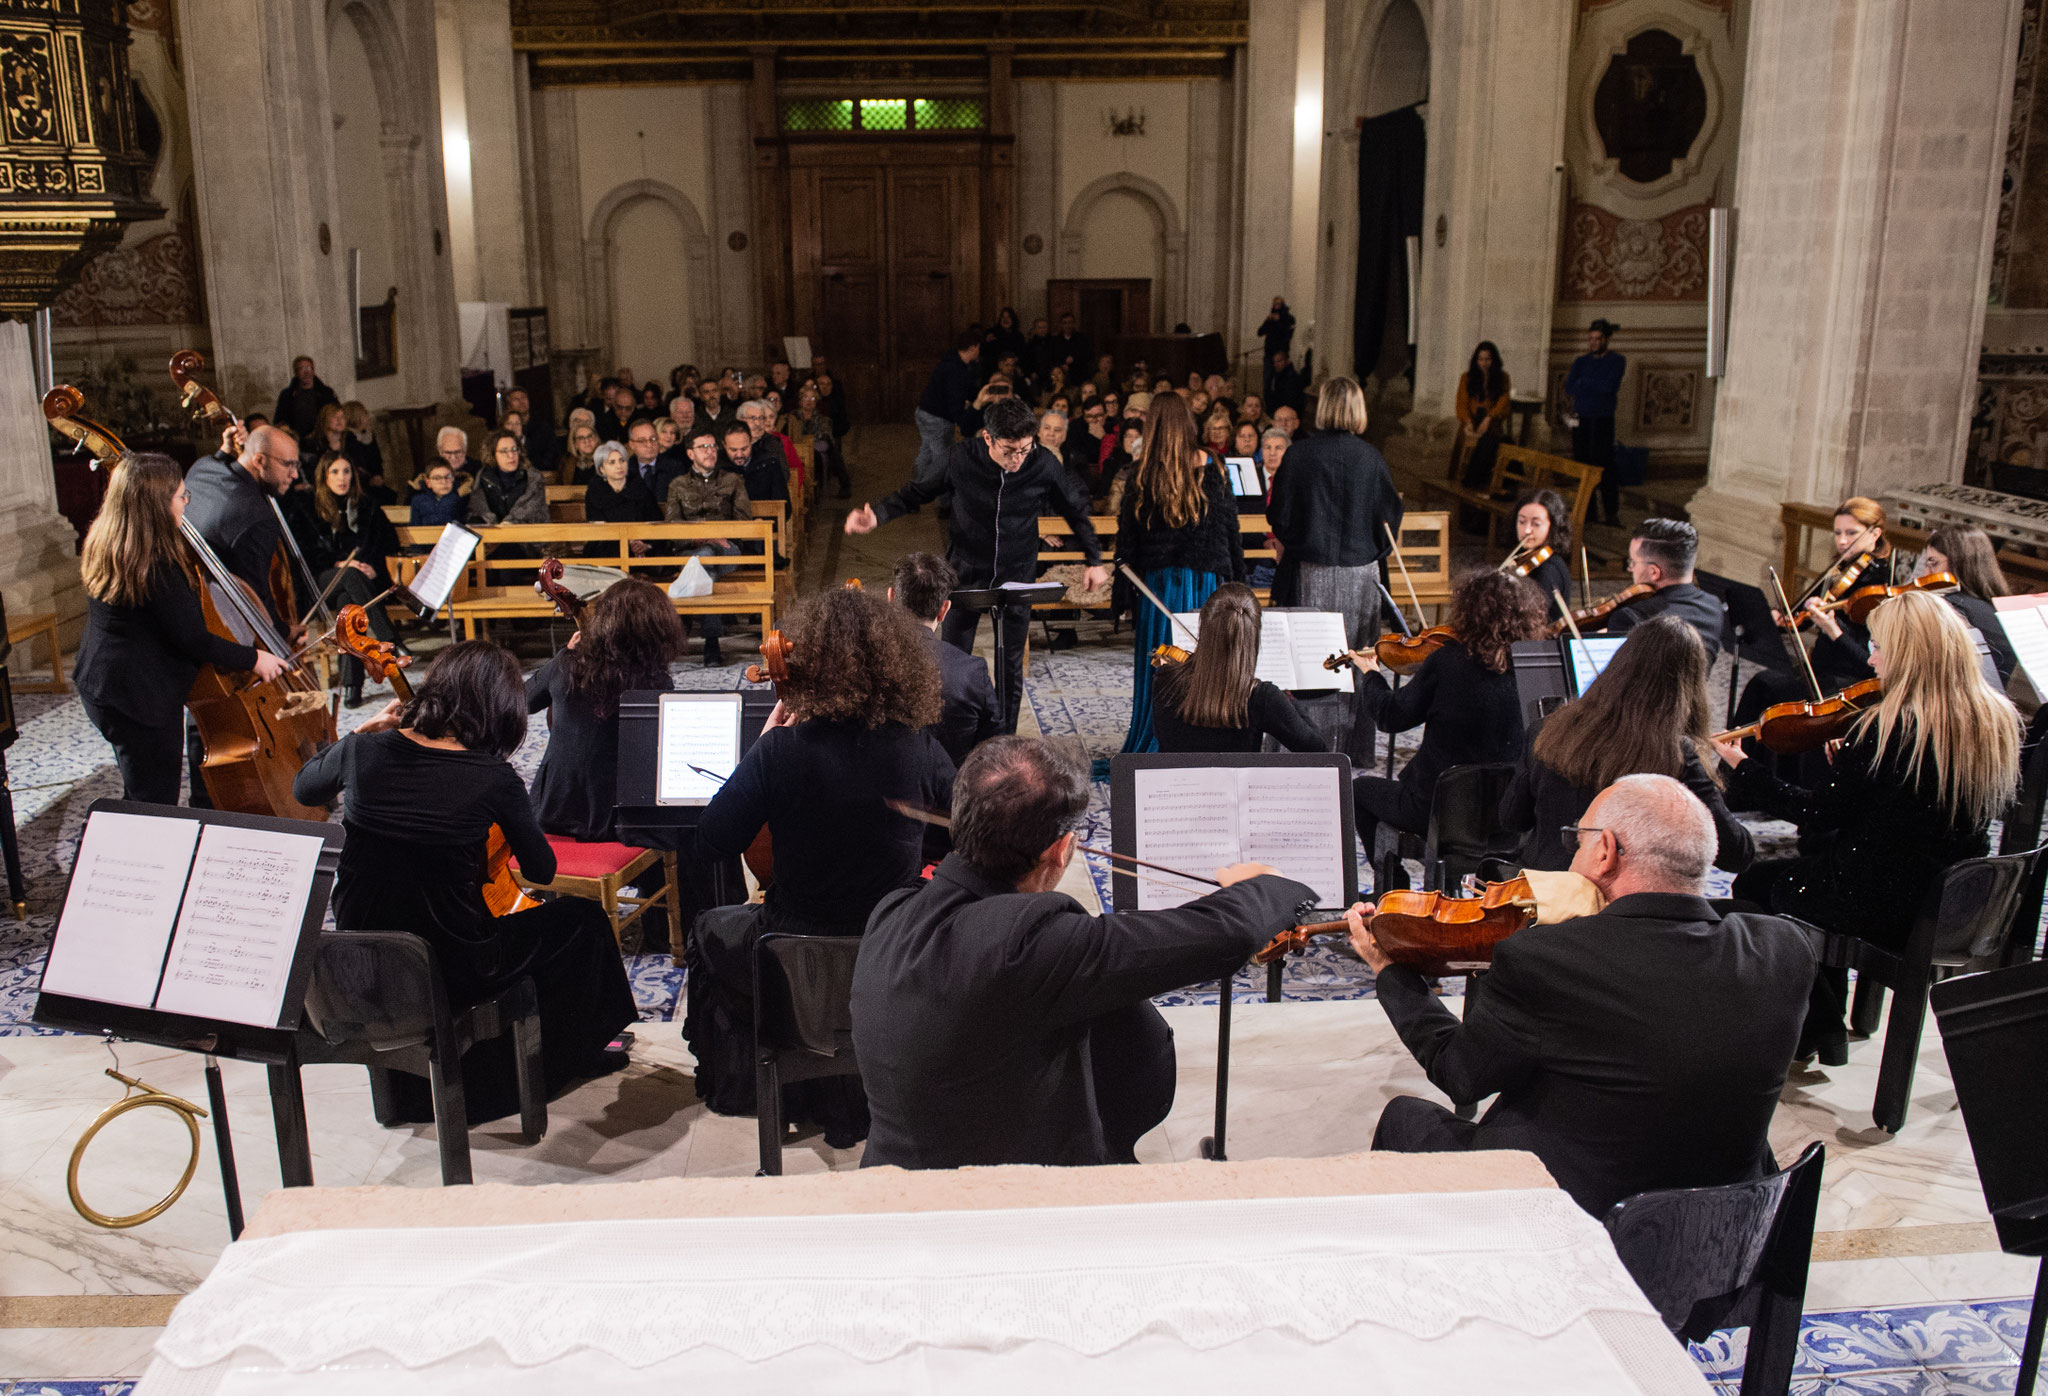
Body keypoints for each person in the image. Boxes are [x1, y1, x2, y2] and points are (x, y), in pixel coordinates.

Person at [1362, 773, 1816, 1217]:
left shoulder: (1545, 959)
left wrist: (1390, 971)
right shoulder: (1785, 949)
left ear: (1605, 851)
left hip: (1578, 1222)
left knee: (1407, 1117)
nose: (1571, 861)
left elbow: (1459, 1074)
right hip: (1723, 1219)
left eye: (1576, 844)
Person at [854, 736, 1317, 1168]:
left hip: (897, 1169)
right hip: (996, 1195)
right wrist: (1269, 884)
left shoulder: (893, 911)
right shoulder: (1027, 944)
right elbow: (1222, 932)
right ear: (1061, 850)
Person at [293, 642, 637, 1124]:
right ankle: (565, 1058)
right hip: (456, 963)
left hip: (362, 954)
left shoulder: (362, 751)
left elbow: (304, 788)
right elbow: (540, 870)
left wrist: (364, 730)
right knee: (581, 921)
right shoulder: (493, 777)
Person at [682, 588, 957, 1138]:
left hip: (791, 954)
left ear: (810, 666)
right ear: (894, 665)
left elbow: (711, 840)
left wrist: (760, 750)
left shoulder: (779, 751)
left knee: (711, 928)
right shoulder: (918, 748)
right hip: (888, 950)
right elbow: (960, 842)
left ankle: (754, 1084)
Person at [1720, 590, 2020, 1064]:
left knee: (1759, 881)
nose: (1872, 658)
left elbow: (1819, 814)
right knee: (1819, 865)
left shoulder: (1889, 726)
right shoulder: (1995, 717)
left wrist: (1746, 772)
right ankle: (1824, 1023)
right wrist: (1864, 774)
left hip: (1879, 898)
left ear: (1907, 655)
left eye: (1879, 646)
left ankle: (1817, 1025)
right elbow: (1922, 805)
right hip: (1950, 899)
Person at [846, 396, 1110, 734]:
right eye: (1009, 450)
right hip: (966, 572)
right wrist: (878, 515)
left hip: (1017, 575)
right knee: (952, 659)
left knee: (1011, 665)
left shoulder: (1042, 464)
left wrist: (1094, 560)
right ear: (988, 437)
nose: (1017, 459)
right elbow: (919, 491)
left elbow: (1076, 512)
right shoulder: (961, 458)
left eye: (1025, 449)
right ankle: (951, 733)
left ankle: (1006, 738)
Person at [74, 453, 289, 803]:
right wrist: (254, 659)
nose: (185, 505)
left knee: (139, 785)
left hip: (103, 683)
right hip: (137, 695)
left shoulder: (110, 539)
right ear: (158, 505)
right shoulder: (156, 563)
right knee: (154, 798)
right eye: (181, 497)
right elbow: (192, 639)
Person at [1501, 617, 1753, 873]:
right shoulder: (1676, 754)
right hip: (1624, 899)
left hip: (1546, 893)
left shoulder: (1545, 729)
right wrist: (1732, 769)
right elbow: (1737, 854)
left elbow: (1512, 819)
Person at [1342, 569, 1544, 877]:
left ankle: (1395, 886)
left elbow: (1391, 715)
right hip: (1510, 815)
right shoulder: (1536, 665)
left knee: (1357, 790)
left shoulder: (1448, 662)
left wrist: (1371, 675)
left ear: (1468, 612)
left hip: (1437, 811)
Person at [1116, 393, 1243, 753]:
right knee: (1207, 664)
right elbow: (1229, 531)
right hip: (1207, 583)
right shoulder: (1214, 465)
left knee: (1164, 668)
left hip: (1160, 586)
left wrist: (1124, 594)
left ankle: (1159, 738)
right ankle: (1205, 737)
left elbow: (1128, 541)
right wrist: (1237, 583)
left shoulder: (1141, 473)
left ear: (1151, 425)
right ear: (1189, 422)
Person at [526, 578, 684, 843]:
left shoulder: (565, 665)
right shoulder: (657, 684)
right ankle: (657, 883)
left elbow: (523, 700)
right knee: (698, 824)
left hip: (552, 810)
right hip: (615, 821)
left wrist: (564, 654)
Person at [1731, 497, 1899, 732]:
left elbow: (1868, 664)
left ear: (1875, 534)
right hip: (1821, 672)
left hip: (1848, 683)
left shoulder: (1882, 586)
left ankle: (1739, 759)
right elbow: (1800, 621)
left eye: (1852, 533)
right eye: (1837, 532)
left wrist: (1833, 630)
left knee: (1766, 689)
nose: (1842, 541)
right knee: (1763, 690)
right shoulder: (1843, 569)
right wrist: (1782, 620)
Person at [1264, 376, 1404, 645]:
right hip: (1360, 570)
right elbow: (1389, 517)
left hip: (1310, 566)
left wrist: (1297, 542)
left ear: (1322, 407)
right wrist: (1370, 549)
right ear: (1359, 409)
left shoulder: (1299, 454)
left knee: (1312, 656)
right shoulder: (1370, 457)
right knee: (1358, 659)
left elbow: (1279, 514)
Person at [1153, 583, 1324, 754]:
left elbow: (1165, 740)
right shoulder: (1262, 697)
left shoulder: (1165, 679)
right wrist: (1289, 700)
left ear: (1202, 626)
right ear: (1254, 637)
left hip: (1178, 780)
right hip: (1237, 781)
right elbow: (1317, 750)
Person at [293, 452, 403, 706]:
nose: (341, 478)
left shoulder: (367, 506)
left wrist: (375, 568)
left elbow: (388, 543)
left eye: (346, 471)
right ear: (324, 476)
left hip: (359, 587)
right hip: (321, 583)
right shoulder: (308, 507)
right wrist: (339, 564)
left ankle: (352, 685)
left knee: (348, 607)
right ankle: (390, 638)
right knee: (349, 575)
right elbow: (303, 554)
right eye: (335, 472)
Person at [183, 422, 301, 632]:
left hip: (184, 603)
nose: (294, 475)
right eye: (288, 464)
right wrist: (284, 632)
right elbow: (255, 598)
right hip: (220, 625)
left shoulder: (202, 467)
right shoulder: (258, 518)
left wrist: (224, 451)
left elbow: (217, 466)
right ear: (259, 460)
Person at [890, 551, 1003, 767]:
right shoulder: (972, 672)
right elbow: (994, 746)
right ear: (944, 610)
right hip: (952, 793)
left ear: (891, 597)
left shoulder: (862, 664)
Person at [668, 427, 753, 666]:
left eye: (713, 446)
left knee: (704, 559)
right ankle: (712, 643)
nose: (710, 452)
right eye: (703, 447)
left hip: (728, 550)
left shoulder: (732, 480)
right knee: (706, 563)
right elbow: (672, 526)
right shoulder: (678, 484)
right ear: (690, 453)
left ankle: (687, 629)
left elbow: (744, 521)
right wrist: (705, 539)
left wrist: (718, 537)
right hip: (691, 550)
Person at [1592, 516, 1724, 660]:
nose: (1630, 569)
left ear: (1654, 572)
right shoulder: (1713, 606)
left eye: (1633, 562)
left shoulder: (1631, 617)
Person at [1919, 524, 2016, 685]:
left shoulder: (1950, 607)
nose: (1926, 574)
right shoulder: (1997, 608)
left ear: (1960, 562)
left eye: (1933, 563)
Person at [1564, 319, 1627, 526]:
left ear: (1606, 339)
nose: (1594, 343)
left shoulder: (1617, 360)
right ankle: (1588, 511)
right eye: (1591, 339)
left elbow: (1609, 387)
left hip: (1602, 419)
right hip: (1582, 419)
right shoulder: (1581, 362)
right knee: (1583, 463)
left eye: (1598, 339)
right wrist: (1591, 384)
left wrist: (1586, 383)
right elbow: (1571, 387)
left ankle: (1610, 512)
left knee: (1605, 465)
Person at [912, 329, 987, 492]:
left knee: (926, 452)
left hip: (925, 412)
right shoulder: (956, 370)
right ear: (973, 348)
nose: (979, 352)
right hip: (937, 418)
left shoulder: (952, 362)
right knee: (944, 458)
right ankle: (944, 499)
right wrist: (963, 421)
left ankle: (915, 489)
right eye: (979, 348)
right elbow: (955, 400)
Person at [1453, 341, 1511, 488]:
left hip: (1491, 422)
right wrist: (1468, 421)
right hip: (1471, 421)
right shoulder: (1467, 378)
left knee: (1491, 440)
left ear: (1494, 360)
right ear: (1476, 360)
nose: (1484, 363)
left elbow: (1503, 403)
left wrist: (1490, 417)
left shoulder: (1503, 378)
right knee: (1477, 438)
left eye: (1488, 359)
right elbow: (1461, 404)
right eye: (1481, 359)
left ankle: (1476, 480)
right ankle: (1471, 479)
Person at [1509, 488, 1573, 620]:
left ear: (1553, 527)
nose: (1527, 530)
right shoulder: (1526, 557)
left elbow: (1528, 620)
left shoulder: (1548, 569)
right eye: (1521, 521)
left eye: (1536, 524)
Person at [467, 428, 549, 526]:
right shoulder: (483, 476)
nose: (511, 455)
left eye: (514, 449)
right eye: (504, 451)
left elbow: (527, 510)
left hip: (527, 536)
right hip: (494, 536)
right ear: (493, 454)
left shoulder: (533, 477)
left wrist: (507, 524)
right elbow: (478, 507)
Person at [732, 400, 791, 503]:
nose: (758, 423)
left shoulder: (773, 443)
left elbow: (784, 473)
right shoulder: (731, 443)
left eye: (761, 418)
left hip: (765, 499)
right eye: (753, 418)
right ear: (740, 420)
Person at [273, 355, 339, 442]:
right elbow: (280, 419)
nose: (306, 372)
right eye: (302, 369)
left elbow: (336, 413)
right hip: (297, 441)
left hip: (323, 439)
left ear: (313, 370)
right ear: (296, 373)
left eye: (309, 368)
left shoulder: (326, 393)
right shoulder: (287, 395)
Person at [1257, 297, 1295, 400]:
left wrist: (1279, 321)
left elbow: (1287, 333)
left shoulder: (1288, 318)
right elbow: (1260, 332)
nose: (1276, 306)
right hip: (1269, 354)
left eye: (1279, 304)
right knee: (1267, 382)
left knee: (1281, 381)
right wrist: (1268, 321)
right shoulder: (1270, 319)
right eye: (1275, 304)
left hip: (1281, 354)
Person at [409, 461, 466, 528]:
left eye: (448, 476)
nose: (444, 482)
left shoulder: (458, 499)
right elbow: (414, 527)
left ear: (453, 478)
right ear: (428, 483)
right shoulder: (418, 501)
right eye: (437, 478)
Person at [1266, 349, 1309, 415]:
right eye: (1275, 362)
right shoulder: (1275, 375)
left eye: (1279, 361)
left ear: (1287, 361)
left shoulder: (1292, 377)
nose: (1276, 364)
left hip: (1287, 414)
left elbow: (1290, 399)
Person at [560, 420, 602, 486]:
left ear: (596, 439)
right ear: (575, 444)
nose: (587, 441)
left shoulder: (605, 459)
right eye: (581, 438)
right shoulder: (567, 462)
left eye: (590, 436)